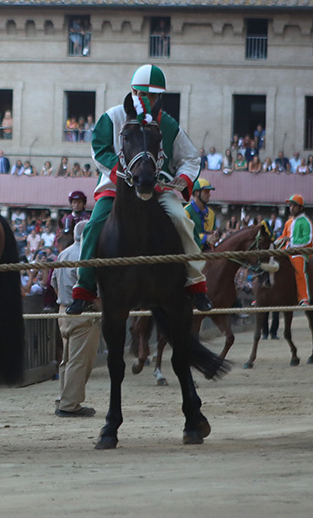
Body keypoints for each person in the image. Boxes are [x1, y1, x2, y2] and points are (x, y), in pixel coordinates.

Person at [66, 65, 212, 314]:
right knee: (93, 226)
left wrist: (182, 179)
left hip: (158, 188)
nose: (149, 100)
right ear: (133, 92)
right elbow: (99, 148)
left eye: (154, 96)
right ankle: (84, 289)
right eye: (144, 94)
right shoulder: (112, 116)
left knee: (181, 219)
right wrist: (120, 172)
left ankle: (195, 285)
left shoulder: (168, 124)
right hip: (115, 188)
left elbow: (190, 158)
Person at [54, 220, 100, 417]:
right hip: (82, 313)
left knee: (67, 360)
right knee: (79, 361)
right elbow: (94, 290)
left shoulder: (63, 254)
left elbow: (54, 283)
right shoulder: (87, 256)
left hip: (63, 311)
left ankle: (63, 398)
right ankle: (70, 404)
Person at [276, 195, 313, 306]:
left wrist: (291, 242)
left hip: (300, 253)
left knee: (299, 270)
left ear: (300, 208)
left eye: (294, 206)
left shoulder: (305, 222)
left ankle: (304, 298)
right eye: (290, 205)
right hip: (286, 251)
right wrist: (273, 244)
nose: (291, 208)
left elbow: (307, 239)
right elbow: (283, 236)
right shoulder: (288, 222)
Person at [185, 178, 217, 251]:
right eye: (206, 192)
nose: (209, 195)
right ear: (196, 193)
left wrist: (215, 235)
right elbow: (186, 235)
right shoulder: (186, 212)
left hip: (208, 252)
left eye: (209, 192)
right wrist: (205, 238)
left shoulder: (211, 213)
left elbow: (213, 232)